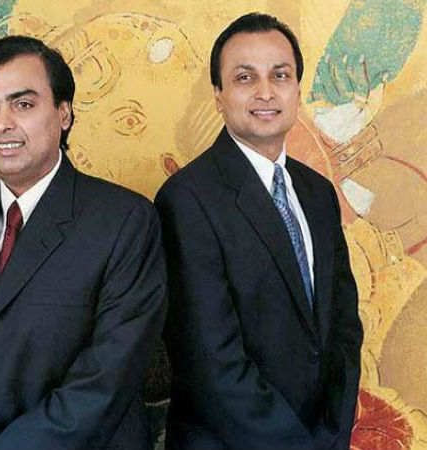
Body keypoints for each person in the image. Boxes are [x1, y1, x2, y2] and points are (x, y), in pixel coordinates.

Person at [0, 35, 167, 450]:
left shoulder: (124, 221)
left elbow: (108, 376)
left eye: (23, 104)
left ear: (64, 113)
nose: (2, 124)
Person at [155, 13, 363, 450]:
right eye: (245, 77)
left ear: (298, 91)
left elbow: (344, 328)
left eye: (280, 75)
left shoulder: (318, 192)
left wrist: (333, 435)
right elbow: (210, 362)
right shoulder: (186, 199)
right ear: (218, 96)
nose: (266, 92)